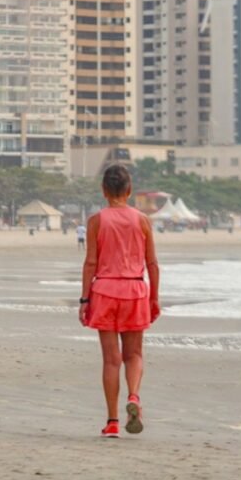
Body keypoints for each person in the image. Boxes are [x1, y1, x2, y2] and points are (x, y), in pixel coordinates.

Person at [79, 165, 160, 438]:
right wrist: (154, 298)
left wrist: (84, 299)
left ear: (104, 191)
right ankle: (134, 397)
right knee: (134, 354)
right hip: (135, 290)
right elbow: (152, 264)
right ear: (129, 190)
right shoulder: (142, 220)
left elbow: (90, 263)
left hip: (104, 290)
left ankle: (112, 421)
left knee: (111, 360)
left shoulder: (96, 221)